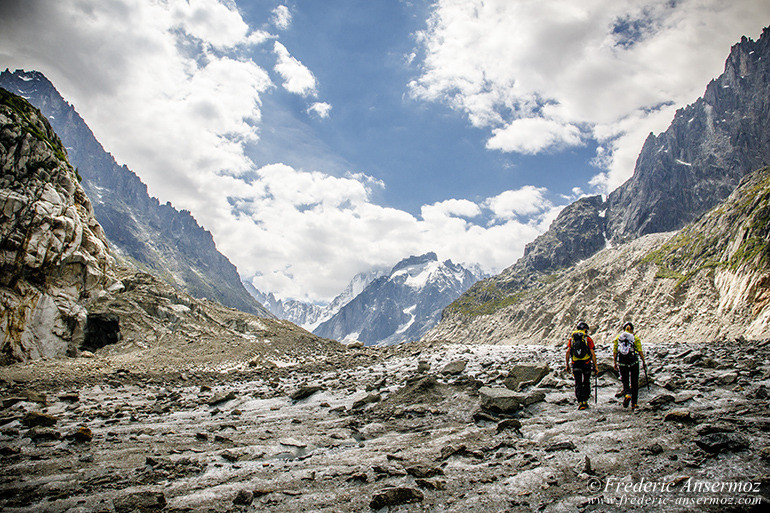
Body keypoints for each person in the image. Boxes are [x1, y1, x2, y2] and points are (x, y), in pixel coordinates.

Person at [613, 322, 646, 411]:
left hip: (622, 362)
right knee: (634, 382)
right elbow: (640, 351)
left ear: (623, 329)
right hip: (633, 362)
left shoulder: (618, 338)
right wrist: (643, 362)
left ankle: (627, 394)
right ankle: (634, 404)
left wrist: (615, 362)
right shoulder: (635, 338)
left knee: (625, 380)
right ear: (632, 329)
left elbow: (615, 351)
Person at [565, 321, 597, 410]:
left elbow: (568, 352)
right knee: (586, 381)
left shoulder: (572, 339)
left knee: (578, 382)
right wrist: (595, 366)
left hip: (575, 364)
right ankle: (585, 401)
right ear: (585, 329)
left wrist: (567, 364)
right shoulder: (587, 339)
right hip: (586, 363)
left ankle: (580, 402)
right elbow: (592, 353)